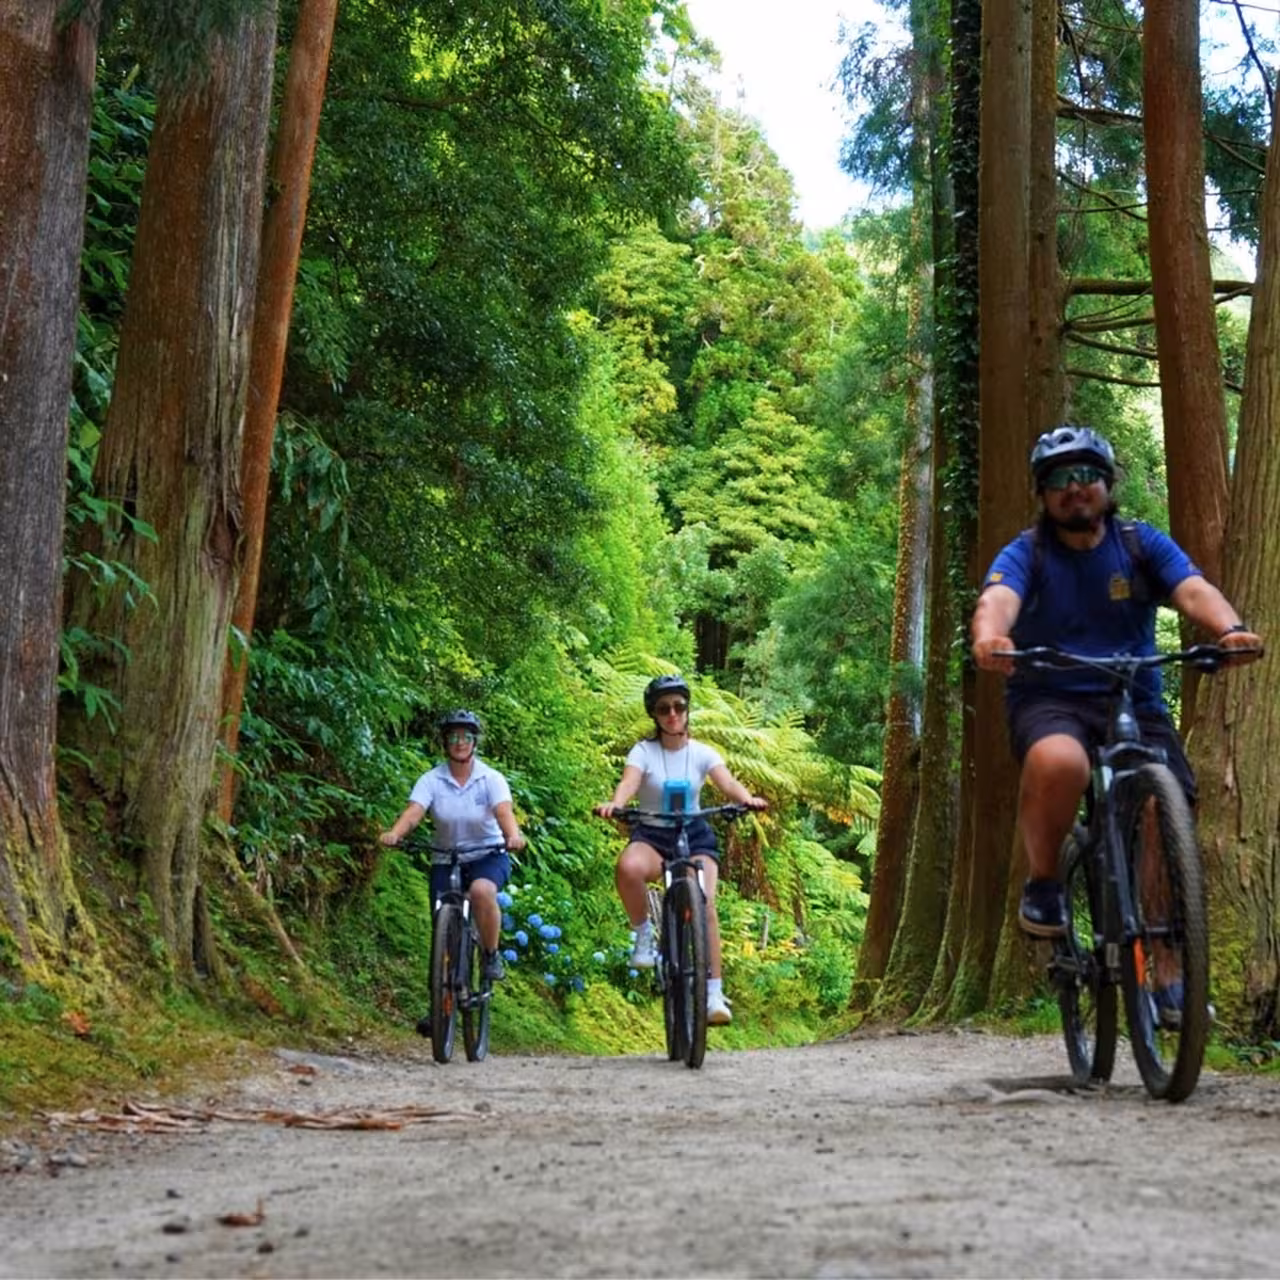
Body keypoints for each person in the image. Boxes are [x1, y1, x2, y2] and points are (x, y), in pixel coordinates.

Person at [971, 423, 1262, 944]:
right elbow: (998, 601)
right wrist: (992, 638)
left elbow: (1193, 590)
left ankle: (1166, 966)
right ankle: (1043, 883)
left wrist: (1231, 630)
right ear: (1043, 493)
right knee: (1060, 762)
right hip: (1051, 697)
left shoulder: (1140, 543)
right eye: (1059, 477)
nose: (1074, 486)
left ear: (1106, 484)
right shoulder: (1028, 552)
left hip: (1135, 698)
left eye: (1086, 474)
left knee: (1162, 807)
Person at [595, 674, 768, 1026]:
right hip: (653, 835)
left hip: (694, 834)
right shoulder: (644, 751)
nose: (672, 714)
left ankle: (714, 993)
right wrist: (616, 803)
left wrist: (746, 799)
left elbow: (727, 782)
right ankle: (643, 934)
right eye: (663, 708)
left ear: (687, 710)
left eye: (679, 706)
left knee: (704, 902)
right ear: (654, 714)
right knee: (628, 867)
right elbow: (629, 782)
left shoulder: (703, 753)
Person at [381, 710, 526, 999]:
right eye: (454, 737)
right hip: (446, 858)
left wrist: (512, 835)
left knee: (482, 891)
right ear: (445, 743)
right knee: (442, 933)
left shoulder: (490, 779)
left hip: (487, 855)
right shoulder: (432, 780)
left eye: (466, 737)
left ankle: (490, 954)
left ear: (475, 742)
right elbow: (414, 812)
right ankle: (439, 1008)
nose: (460, 742)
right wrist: (395, 833)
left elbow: (503, 811)